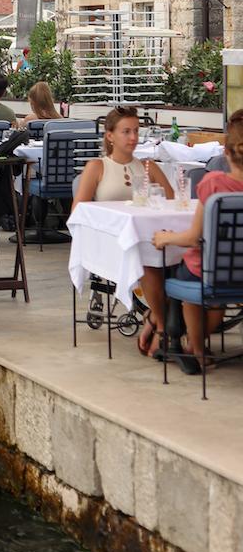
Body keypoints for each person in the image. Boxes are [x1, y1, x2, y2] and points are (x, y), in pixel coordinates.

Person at [73, 105, 173, 356]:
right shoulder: (97, 167)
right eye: (126, 131)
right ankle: (163, 328)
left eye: (136, 131)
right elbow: (79, 212)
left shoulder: (148, 166)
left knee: (181, 260)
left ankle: (155, 318)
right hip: (113, 242)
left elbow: (171, 202)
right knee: (148, 263)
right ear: (110, 135)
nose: (133, 137)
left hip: (151, 240)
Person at [152, 107, 243, 372]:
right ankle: (195, 342)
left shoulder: (214, 183)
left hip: (212, 274)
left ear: (226, 153)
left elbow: (193, 237)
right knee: (214, 283)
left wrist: (166, 238)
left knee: (188, 267)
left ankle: (196, 347)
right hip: (237, 270)